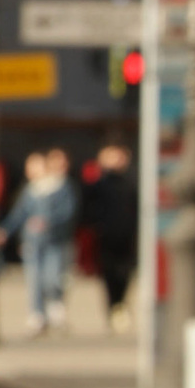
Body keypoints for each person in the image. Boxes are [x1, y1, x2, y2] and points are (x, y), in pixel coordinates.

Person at [13, 146, 79, 336]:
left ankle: (55, 310)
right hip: (34, 241)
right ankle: (37, 315)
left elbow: (69, 212)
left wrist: (49, 222)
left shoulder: (63, 186)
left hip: (56, 240)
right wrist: (4, 231)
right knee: (34, 279)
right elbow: (19, 213)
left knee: (53, 277)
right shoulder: (33, 189)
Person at [82, 139, 137, 328]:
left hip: (128, 237)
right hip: (105, 237)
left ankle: (120, 306)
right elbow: (86, 210)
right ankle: (114, 308)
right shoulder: (97, 185)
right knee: (109, 275)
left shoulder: (133, 182)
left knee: (125, 274)